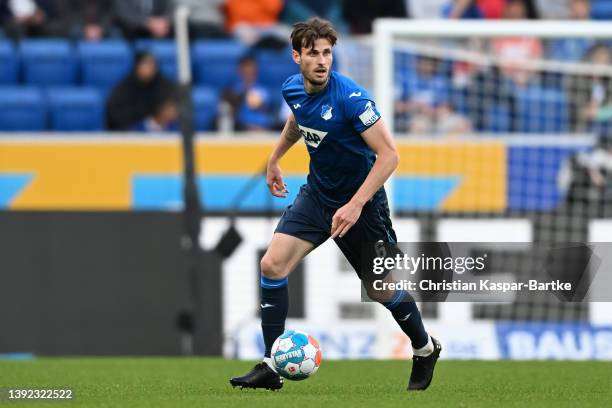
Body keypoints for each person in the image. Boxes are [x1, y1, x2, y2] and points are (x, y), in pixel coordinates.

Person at [229, 17, 441, 392]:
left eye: (327, 53)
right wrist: (275, 158)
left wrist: (357, 204)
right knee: (272, 263)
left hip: (363, 205)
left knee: (378, 289)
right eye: (313, 54)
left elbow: (390, 156)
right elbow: (299, 121)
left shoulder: (351, 99)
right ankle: (271, 365)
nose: (322, 60)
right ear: (297, 57)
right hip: (318, 196)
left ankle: (424, 349)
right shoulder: (292, 88)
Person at [106, 52, 178, 131]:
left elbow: (173, 108)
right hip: (131, 135)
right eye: (145, 64)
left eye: (152, 65)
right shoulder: (124, 89)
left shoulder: (164, 85)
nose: (149, 68)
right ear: (137, 66)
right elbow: (116, 115)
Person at [223, 54, 280, 131]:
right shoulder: (231, 91)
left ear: (256, 70)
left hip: (264, 131)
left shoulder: (264, 91)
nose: (248, 71)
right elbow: (229, 114)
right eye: (245, 68)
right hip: (240, 131)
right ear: (239, 70)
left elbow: (268, 112)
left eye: (251, 68)